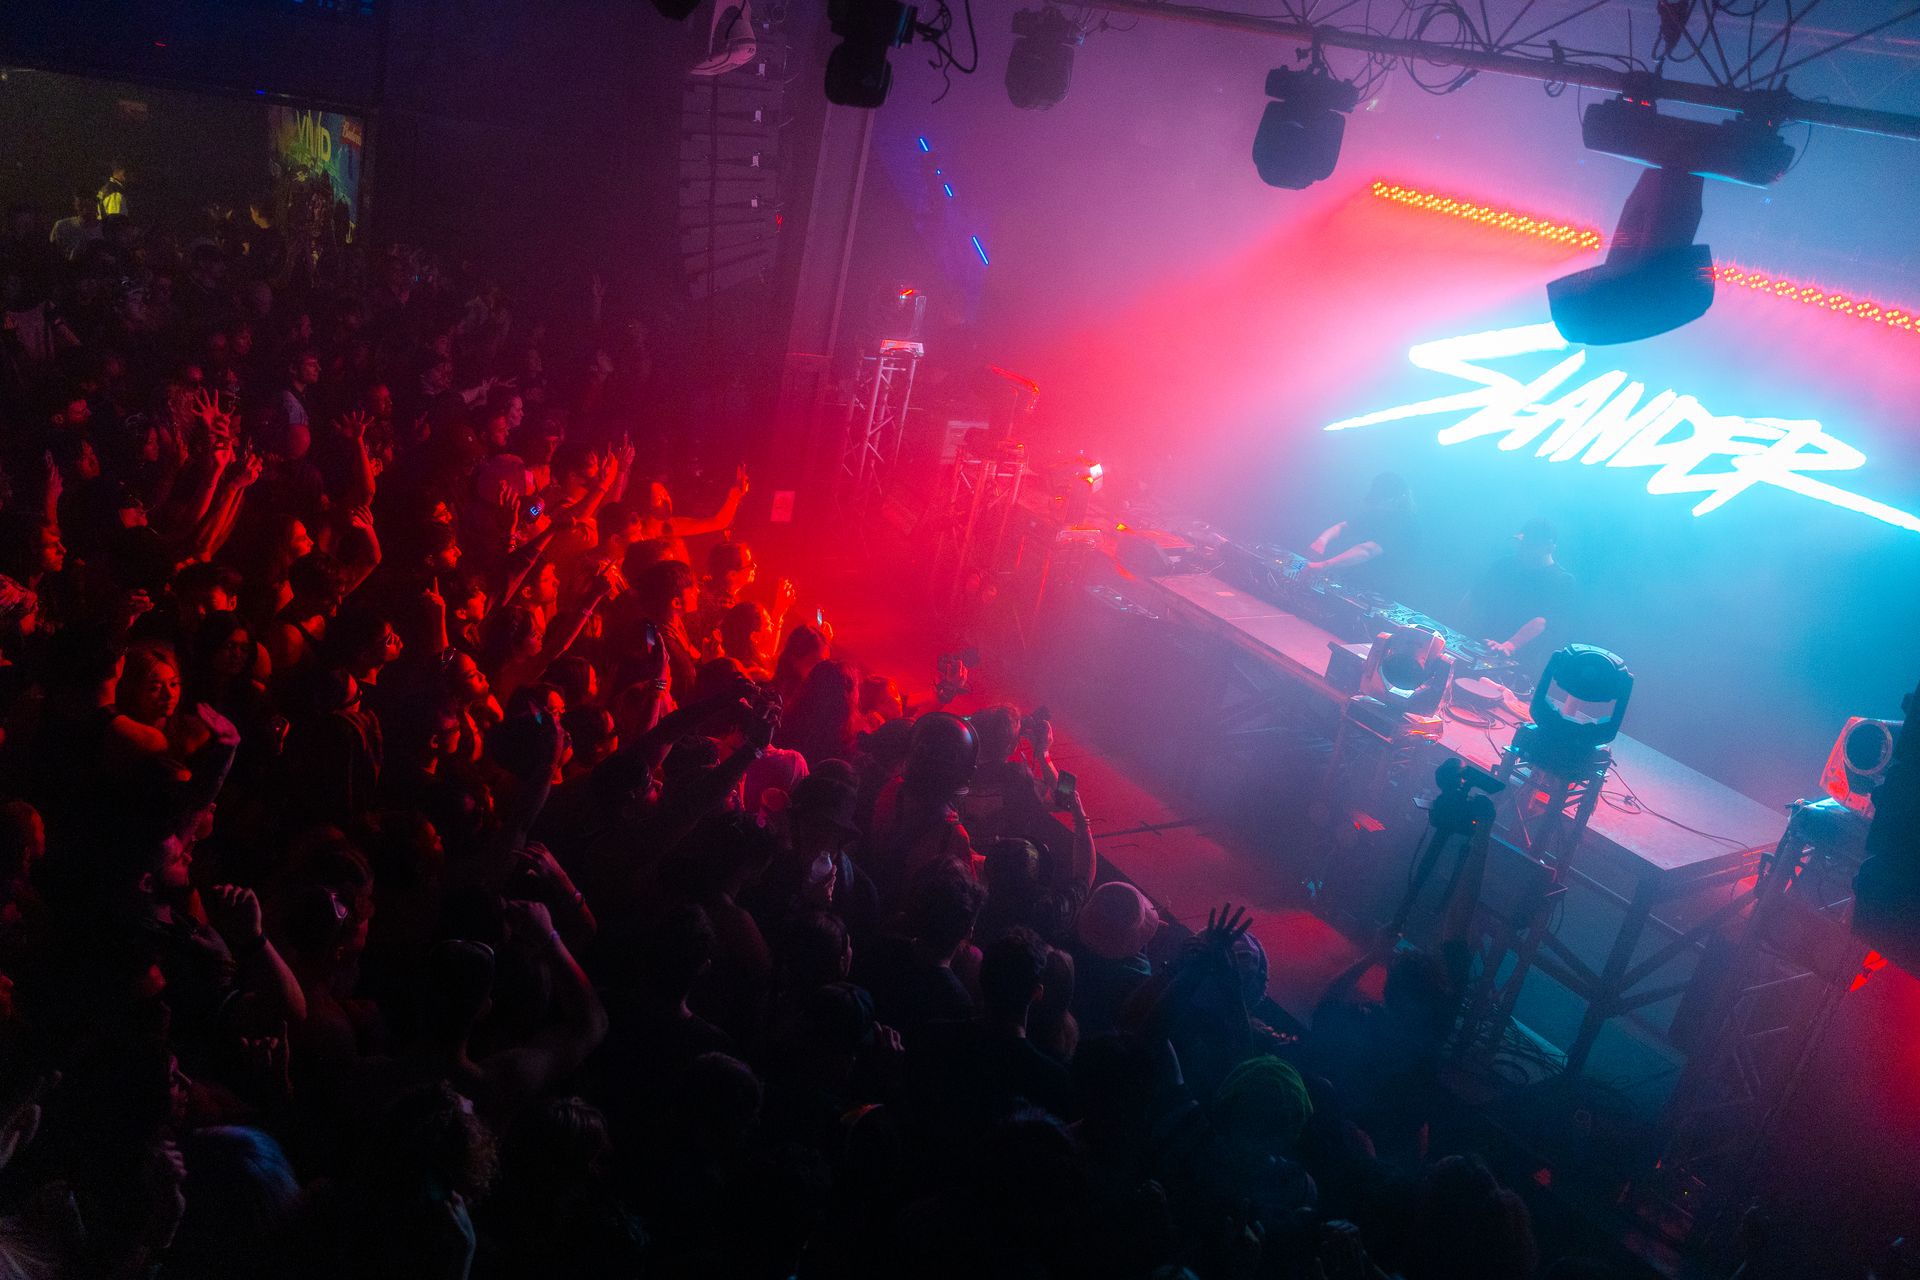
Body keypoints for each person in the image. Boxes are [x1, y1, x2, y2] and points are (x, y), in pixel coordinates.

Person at [1461, 516, 1574, 662]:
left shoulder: (1562, 580)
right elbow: (1474, 595)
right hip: (1479, 643)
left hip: (1514, 658)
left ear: (1550, 547)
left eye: (1530, 545)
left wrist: (1509, 646)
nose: (1522, 548)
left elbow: (1542, 620)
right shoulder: (1505, 564)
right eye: (1522, 543)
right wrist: (1454, 630)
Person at [1306, 471, 1416, 589]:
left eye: (1380, 502)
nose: (1376, 507)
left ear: (1395, 500)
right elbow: (1342, 527)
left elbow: (1367, 550)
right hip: (1359, 577)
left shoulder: (1404, 523)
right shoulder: (1378, 513)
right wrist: (1322, 540)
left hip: (1384, 587)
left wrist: (1325, 565)